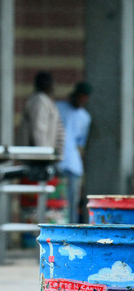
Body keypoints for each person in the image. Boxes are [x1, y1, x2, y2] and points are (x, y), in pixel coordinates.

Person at [57, 82, 92, 223]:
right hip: (57, 161)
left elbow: (80, 142)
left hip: (73, 164)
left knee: (72, 201)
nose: (81, 101)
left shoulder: (85, 117)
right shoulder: (59, 107)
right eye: (79, 97)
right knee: (57, 201)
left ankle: (71, 234)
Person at [21, 71, 64, 155]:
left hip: (46, 153)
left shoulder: (46, 101)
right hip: (40, 156)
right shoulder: (40, 101)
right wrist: (43, 154)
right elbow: (39, 129)